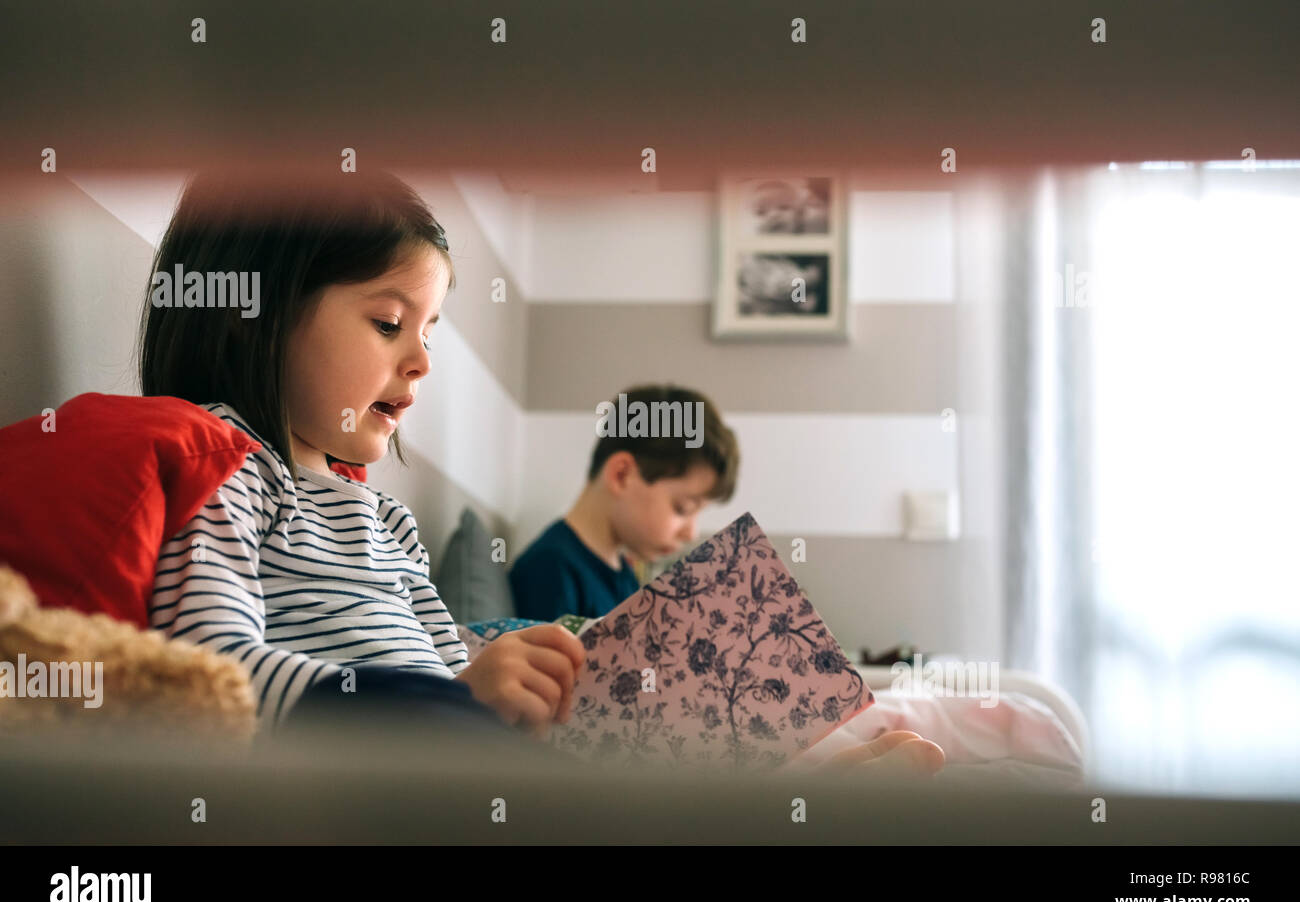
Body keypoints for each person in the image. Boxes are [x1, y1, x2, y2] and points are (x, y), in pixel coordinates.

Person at [141, 166, 944, 776]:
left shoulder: (384, 521)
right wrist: (452, 701)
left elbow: (446, 658)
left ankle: (767, 778)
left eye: (430, 332)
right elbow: (212, 679)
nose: (421, 361)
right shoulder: (222, 468)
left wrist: (506, 672)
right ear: (257, 315)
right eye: (389, 322)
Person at [509, 384, 737, 622]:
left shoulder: (625, 576)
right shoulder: (550, 570)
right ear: (622, 475)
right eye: (683, 508)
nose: (691, 533)